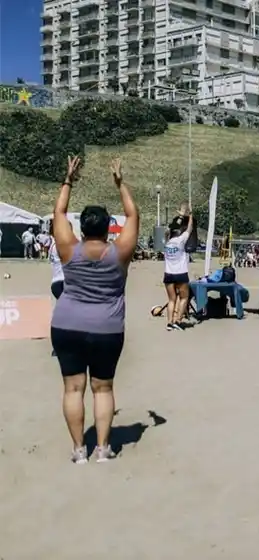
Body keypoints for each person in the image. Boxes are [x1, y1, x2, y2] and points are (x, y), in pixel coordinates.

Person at [51, 156, 139, 464]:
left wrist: (68, 179)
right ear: (107, 228)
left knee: (73, 388)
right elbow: (133, 213)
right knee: (103, 389)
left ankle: (79, 450)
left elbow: (58, 211)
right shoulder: (120, 252)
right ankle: (102, 448)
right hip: (107, 328)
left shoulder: (67, 248)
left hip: (67, 324)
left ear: (82, 228)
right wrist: (120, 182)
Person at [163, 211, 193, 331]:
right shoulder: (181, 240)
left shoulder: (167, 242)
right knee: (184, 297)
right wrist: (190, 216)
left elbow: (171, 228)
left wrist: (180, 217)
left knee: (171, 300)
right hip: (180, 273)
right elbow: (189, 229)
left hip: (168, 274)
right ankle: (178, 320)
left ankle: (169, 323)